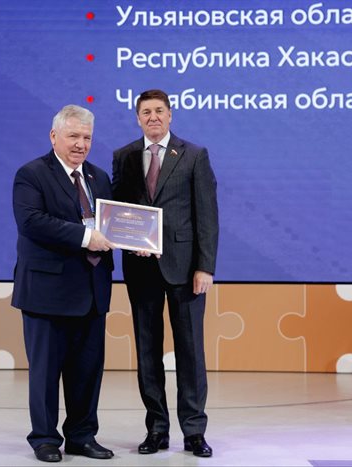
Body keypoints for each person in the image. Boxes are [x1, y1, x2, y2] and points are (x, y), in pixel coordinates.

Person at [112, 89, 219, 457]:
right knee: (147, 352)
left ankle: (194, 432)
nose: (153, 117)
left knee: (191, 353)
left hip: (185, 270)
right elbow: (119, 211)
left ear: (170, 115)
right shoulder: (124, 156)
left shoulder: (194, 155)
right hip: (141, 268)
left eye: (159, 110)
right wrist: (128, 242)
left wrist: (205, 266)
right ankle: (156, 429)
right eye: (146, 112)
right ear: (138, 118)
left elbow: (207, 216)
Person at [12, 105, 115, 463]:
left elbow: (114, 225)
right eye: (73, 136)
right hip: (47, 295)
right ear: (54, 136)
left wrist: (139, 242)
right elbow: (32, 222)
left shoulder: (99, 177)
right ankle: (44, 439)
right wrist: (86, 237)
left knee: (87, 372)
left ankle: (82, 437)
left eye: (87, 137)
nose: (81, 144)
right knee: (45, 373)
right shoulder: (31, 174)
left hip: (92, 292)